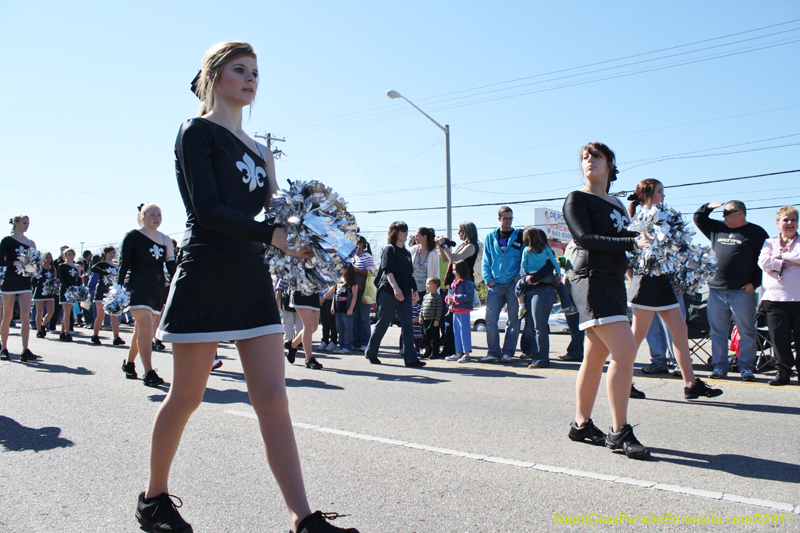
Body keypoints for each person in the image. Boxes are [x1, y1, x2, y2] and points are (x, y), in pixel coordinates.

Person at [141, 42, 358, 533]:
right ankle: (153, 498)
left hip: (251, 275)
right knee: (186, 396)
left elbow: (274, 211)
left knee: (273, 396)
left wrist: (315, 235)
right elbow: (208, 210)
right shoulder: (195, 132)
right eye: (240, 70)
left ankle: (302, 518)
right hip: (205, 272)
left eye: (256, 72)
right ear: (215, 77)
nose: (251, 79)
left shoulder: (262, 149)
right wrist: (274, 234)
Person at [562, 142, 653, 460]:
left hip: (614, 283)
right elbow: (584, 238)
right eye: (585, 157)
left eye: (596, 156)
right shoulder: (577, 199)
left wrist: (646, 250)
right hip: (590, 281)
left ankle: (581, 424)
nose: (589, 161)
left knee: (595, 356)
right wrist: (632, 241)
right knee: (625, 351)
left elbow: (627, 246)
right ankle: (619, 431)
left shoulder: (615, 203)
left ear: (610, 164)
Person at [627, 179, 722, 400]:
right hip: (647, 282)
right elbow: (652, 250)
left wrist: (692, 267)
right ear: (647, 194)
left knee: (680, 331)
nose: (664, 196)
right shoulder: (643, 218)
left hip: (662, 282)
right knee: (636, 336)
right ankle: (623, 379)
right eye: (660, 191)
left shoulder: (664, 216)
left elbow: (674, 250)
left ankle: (691, 384)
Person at [694, 199, 769, 381]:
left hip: (742, 291)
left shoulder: (756, 232)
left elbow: (766, 261)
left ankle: (746, 367)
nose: (723, 215)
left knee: (746, 330)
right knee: (717, 331)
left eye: (727, 212)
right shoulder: (717, 228)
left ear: (740, 213)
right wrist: (708, 207)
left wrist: (754, 283)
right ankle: (719, 367)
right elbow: (698, 218)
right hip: (717, 289)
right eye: (723, 212)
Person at [119, 203, 175, 387]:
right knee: (145, 329)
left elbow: (171, 267)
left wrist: (180, 283)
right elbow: (123, 263)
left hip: (156, 289)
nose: (156, 217)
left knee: (141, 331)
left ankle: (129, 364)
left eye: (159, 214)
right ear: (142, 216)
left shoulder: (166, 240)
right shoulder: (132, 236)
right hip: (136, 287)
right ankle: (149, 372)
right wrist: (118, 289)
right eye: (152, 214)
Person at [365, 221, 425, 367]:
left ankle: (411, 359)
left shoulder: (406, 252)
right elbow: (387, 270)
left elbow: (409, 274)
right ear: (395, 233)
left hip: (405, 293)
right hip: (388, 292)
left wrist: (414, 291)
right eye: (402, 230)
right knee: (383, 323)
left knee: (408, 325)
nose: (405, 232)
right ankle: (371, 352)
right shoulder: (389, 249)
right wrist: (395, 288)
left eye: (406, 230)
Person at [758, 205, 800, 386]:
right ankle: (783, 372)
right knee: (779, 338)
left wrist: (777, 261)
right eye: (786, 220)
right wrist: (789, 262)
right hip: (775, 299)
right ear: (777, 223)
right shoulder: (770, 242)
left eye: (793, 220)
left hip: (798, 299)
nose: (790, 223)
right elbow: (763, 262)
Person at [480, 206, 524, 363]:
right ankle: (493, 352)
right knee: (490, 320)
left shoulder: (520, 235)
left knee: (513, 320)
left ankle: (508, 353)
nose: (508, 221)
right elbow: (486, 260)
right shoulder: (490, 237)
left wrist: (519, 276)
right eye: (505, 218)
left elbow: (524, 257)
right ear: (499, 219)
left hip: (513, 283)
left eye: (510, 218)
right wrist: (488, 279)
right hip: (495, 284)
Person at [514, 229, 559, 369]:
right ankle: (535, 356)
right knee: (531, 326)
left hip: (543, 290)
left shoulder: (547, 251)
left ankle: (541, 359)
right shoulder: (527, 251)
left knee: (539, 326)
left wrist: (531, 278)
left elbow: (549, 269)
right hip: (529, 290)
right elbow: (522, 269)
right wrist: (525, 278)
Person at [436, 222, 479, 358]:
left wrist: (445, 245)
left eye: (460, 230)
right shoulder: (462, 245)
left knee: (463, 325)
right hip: (454, 283)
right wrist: (440, 246)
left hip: (464, 283)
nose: (458, 233)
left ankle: (465, 352)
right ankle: (456, 351)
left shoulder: (472, 246)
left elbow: (454, 259)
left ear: (467, 231)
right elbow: (446, 259)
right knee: (452, 322)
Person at [516, 227, 577, 320]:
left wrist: (528, 276)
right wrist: (557, 274)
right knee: (560, 286)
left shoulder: (527, 251)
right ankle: (567, 306)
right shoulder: (546, 250)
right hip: (546, 279)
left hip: (532, 278)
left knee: (518, 286)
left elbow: (523, 266)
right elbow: (554, 264)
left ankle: (521, 306)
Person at [0, 215, 38, 361]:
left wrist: (33, 265)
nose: (26, 225)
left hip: (24, 282)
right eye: (24, 223)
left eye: (28, 223)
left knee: (25, 315)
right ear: (16, 223)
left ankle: (25, 349)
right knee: (7, 315)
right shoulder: (6, 240)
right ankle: (4, 348)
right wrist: (15, 263)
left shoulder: (31, 243)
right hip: (10, 281)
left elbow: (34, 265)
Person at [90, 246, 124, 346]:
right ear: (105, 254)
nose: (111, 255)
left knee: (114, 315)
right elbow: (93, 268)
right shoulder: (101, 264)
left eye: (113, 253)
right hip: (101, 292)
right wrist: (106, 273)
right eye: (109, 253)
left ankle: (116, 337)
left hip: (112, 292)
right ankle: (95, 335)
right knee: (100, 315)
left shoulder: (117, 265)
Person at [557, 241, 584, 362]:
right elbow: (569, 267)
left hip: (582, 289)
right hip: (568, 289)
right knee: (573, 324)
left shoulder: (585, 242)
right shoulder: (570, 245)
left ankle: (580, 353)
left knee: (584, 324)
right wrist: (563, 265)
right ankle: (575, 352)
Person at [444, 261, 475, 363]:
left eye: (454, 270)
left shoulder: (468, 283)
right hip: (455, 310)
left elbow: (470, 296)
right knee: (456, 332)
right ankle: (458, 353)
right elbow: (450, 294)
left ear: (460, 270)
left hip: (464, 310)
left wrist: (455, 297)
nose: (453, 272)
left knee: (464, 332)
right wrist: (448, 298)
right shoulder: (454, 283)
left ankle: (466, 354)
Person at [285, 289, 323, 369]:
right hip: (300, 292)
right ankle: (309, 359)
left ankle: (292, 346)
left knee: (313, 328)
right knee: (308, 325)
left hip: (314, 293)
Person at [351, 236, 374, 351]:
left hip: (364, 291)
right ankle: (355, 342)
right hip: (353, 291)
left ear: (361, 244)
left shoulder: (367, 256)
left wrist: (357, 270)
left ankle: (365, 343)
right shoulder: (352, 257)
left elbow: (371, 272)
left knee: (364, 318)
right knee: (355, 318)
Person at [330, 264, 358, 353]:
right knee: (339, 328)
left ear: (348, 270)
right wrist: (332, 305)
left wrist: (351, 308)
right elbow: (334, 294)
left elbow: (354, 296)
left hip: (346, 309)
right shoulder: (338, 280)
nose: (341, 270)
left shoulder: (352, 281)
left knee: (347, 328)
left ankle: (347, 346)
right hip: (338, 308)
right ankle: (340, 345)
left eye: (343, 269)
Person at [57, 249, 83, 342]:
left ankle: (62, 332)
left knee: (67, 312)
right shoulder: (62, 266)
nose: (71, 256)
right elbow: (61, 279)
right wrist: (68, 288)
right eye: (69, 254)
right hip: (65, 290)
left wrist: (79, 272)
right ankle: (67, 333)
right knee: (67, 311)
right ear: (65, 255)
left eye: (72, 254)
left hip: (73, 291)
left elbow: (79, 282)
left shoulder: (76, 266)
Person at [410, 227, 439, 300]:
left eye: (417, 236)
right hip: (412, 290)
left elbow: (435, 273)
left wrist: (435, 291)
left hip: (426, 291)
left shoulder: (433, 253)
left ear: (424, 237)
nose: (415, 238)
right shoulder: (413, 250)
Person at [32, 251, 56, 341]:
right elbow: (33, 281)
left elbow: (54, 280)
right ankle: (39, 331)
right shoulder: (39, 268)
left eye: (49, 257)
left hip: (49, 293)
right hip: (39, 292)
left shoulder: (52, 268)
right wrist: (41, 285)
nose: (48, 259)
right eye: (46, 257)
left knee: (51, 311)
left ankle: (43, 325)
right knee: (39, 312)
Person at [419, 277, 443, 359]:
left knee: (434, 338)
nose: (426, 285)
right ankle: (427, 351)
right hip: (425, 320)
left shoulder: (437, 297)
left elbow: (439, 309)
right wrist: (420, 316)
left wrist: (437, 320)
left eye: (429, 284)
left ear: (435, 286)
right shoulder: (425, 296)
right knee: (426, 337)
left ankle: (435, 352)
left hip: (433, 321)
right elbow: (422, 307)